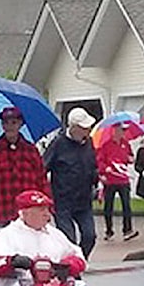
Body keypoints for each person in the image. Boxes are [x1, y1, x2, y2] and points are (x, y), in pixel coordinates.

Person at [0, 106, 51, 228]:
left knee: (28, 246)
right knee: (1, 246)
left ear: (20, 124)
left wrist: (46, 206)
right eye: (5, 123)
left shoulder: (31, 150)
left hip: (27, 213)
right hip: (0, 209)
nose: (9, 126)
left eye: (13, 122)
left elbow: (41, 179)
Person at [43, 107, 99, 258]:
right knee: (69, 239)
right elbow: (43, 168)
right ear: (73, 128)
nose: (88, 131)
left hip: (84, 200)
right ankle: (70, 268)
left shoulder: (88, 143)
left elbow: (93, 166)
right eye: (84, 128)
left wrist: (98, 182)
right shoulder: (58, 144)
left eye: (88, 128)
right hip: (63, 202)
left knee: (90, 236)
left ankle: (79, 261)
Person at [97, 123, 139, 242]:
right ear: (114, 130)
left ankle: (127, 230)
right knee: (108, 206)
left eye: (124, 130)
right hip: (110, 180)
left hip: (123, 179)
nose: (123, 133)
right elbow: (100, 161)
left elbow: (129, 157)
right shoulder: (106, 146)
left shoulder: (126, 144)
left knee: (126, 205)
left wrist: (131, 159)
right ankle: (109, 230)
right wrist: (105, 169)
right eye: (121, 130)